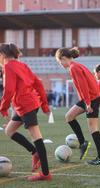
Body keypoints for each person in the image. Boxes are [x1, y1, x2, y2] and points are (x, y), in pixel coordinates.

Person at [0, 43, 52, 181]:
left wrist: (3, 107)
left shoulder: (8, 66)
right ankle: (34, 152)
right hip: (25, 105)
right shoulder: (21, 65)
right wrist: (44, 106)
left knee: (36, 136)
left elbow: (9, 90)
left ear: (3, 55)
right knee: (9, 131)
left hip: (26, 105)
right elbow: (38, 83)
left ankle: (46, 174)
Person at [55, 47, 100, 165]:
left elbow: (83, 86)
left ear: (63, 58)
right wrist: (98, 97)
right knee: (69, 116)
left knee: (93, 128)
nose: (60, 64)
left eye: (59, 62)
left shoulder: (74, 68)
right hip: (89, 98)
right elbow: (92, 80)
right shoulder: (76, 66)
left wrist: (88, 103)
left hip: (90, 99)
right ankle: (83, 143)